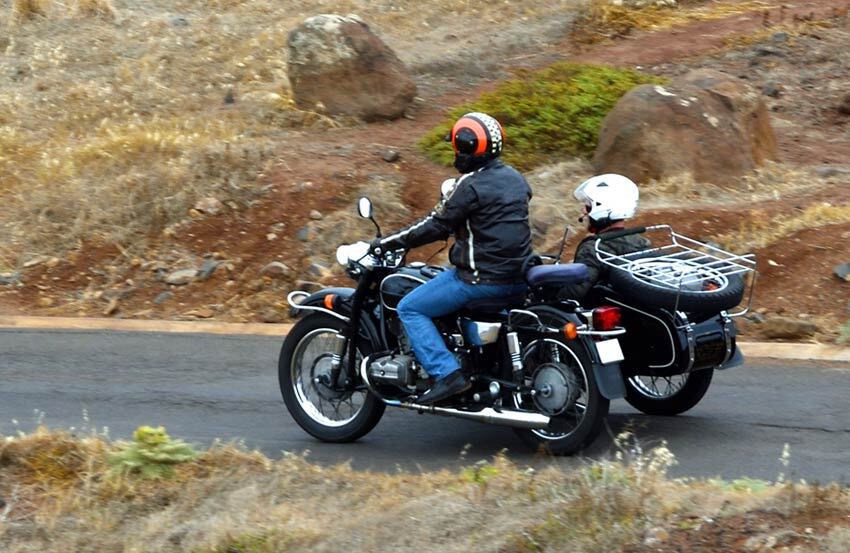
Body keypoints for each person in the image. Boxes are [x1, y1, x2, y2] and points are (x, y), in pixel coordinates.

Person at [372, 112, 532, 404]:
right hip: (519, 278)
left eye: (457, 146)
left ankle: (447, 374)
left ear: (468, 148)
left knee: (410, 307)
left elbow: (435, 225)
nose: (455, 152)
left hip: (480, 279)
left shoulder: (469, 185)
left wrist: (386, 242)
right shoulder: (516, 179)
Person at [557, 173, 650, 300]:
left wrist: (550, 297)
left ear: (601, 209)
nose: (584, 211)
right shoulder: (640, 241)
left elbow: (574, 293)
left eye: (588, 207)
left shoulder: (594, 248)